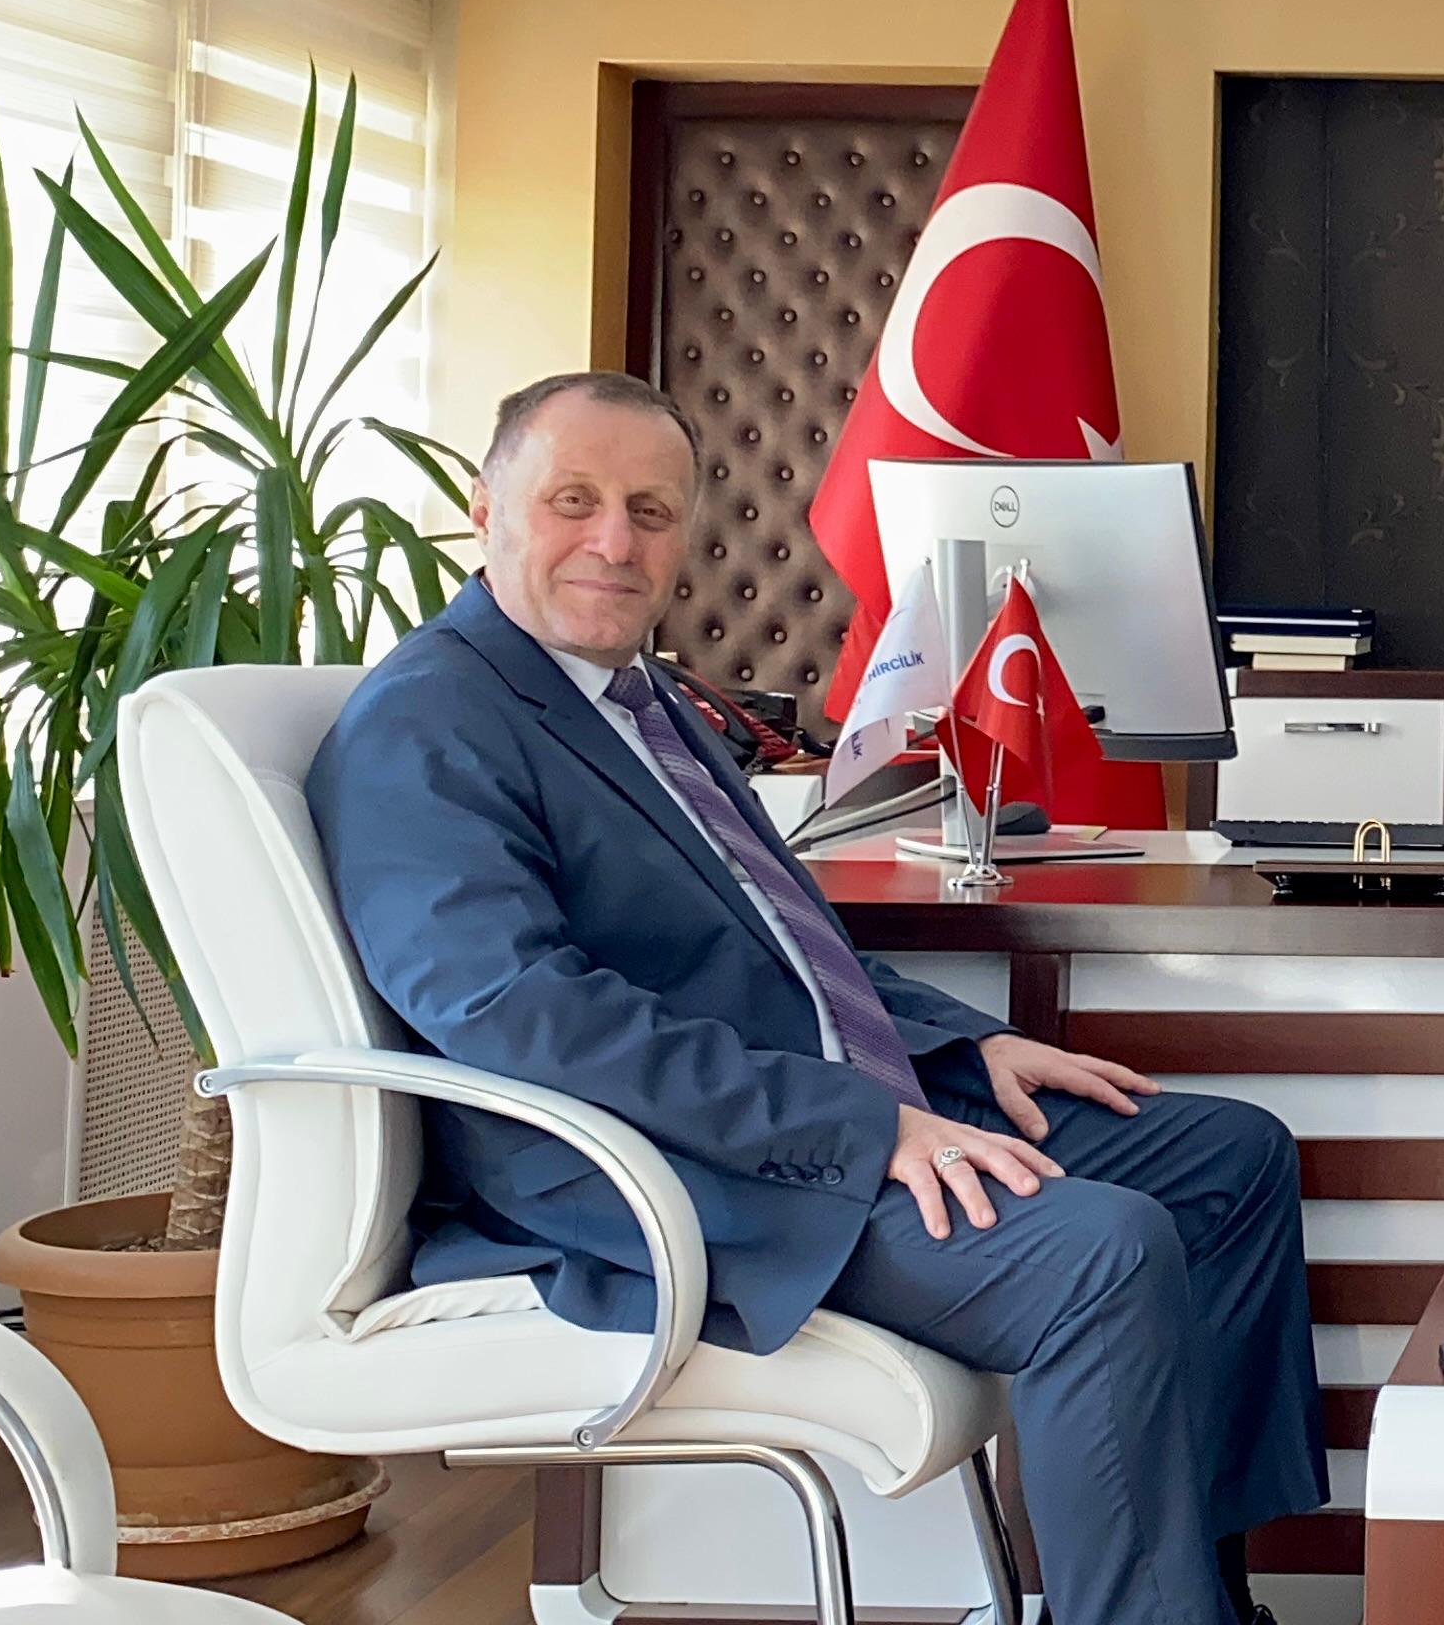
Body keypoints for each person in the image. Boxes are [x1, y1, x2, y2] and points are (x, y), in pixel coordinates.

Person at [311, 374, 1322, 1625]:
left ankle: (1199, 1599)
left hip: (807, 1108)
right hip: (666, 1169)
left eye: (650, 511)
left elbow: (784, 948)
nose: (615, 541)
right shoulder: (431, 720)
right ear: (486, 508)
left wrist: (969, 1044)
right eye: (573, 501)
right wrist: (865, 1127)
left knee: (1229, 1161)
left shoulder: (640, 700)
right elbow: (524, 1017)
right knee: (1099, 1257)